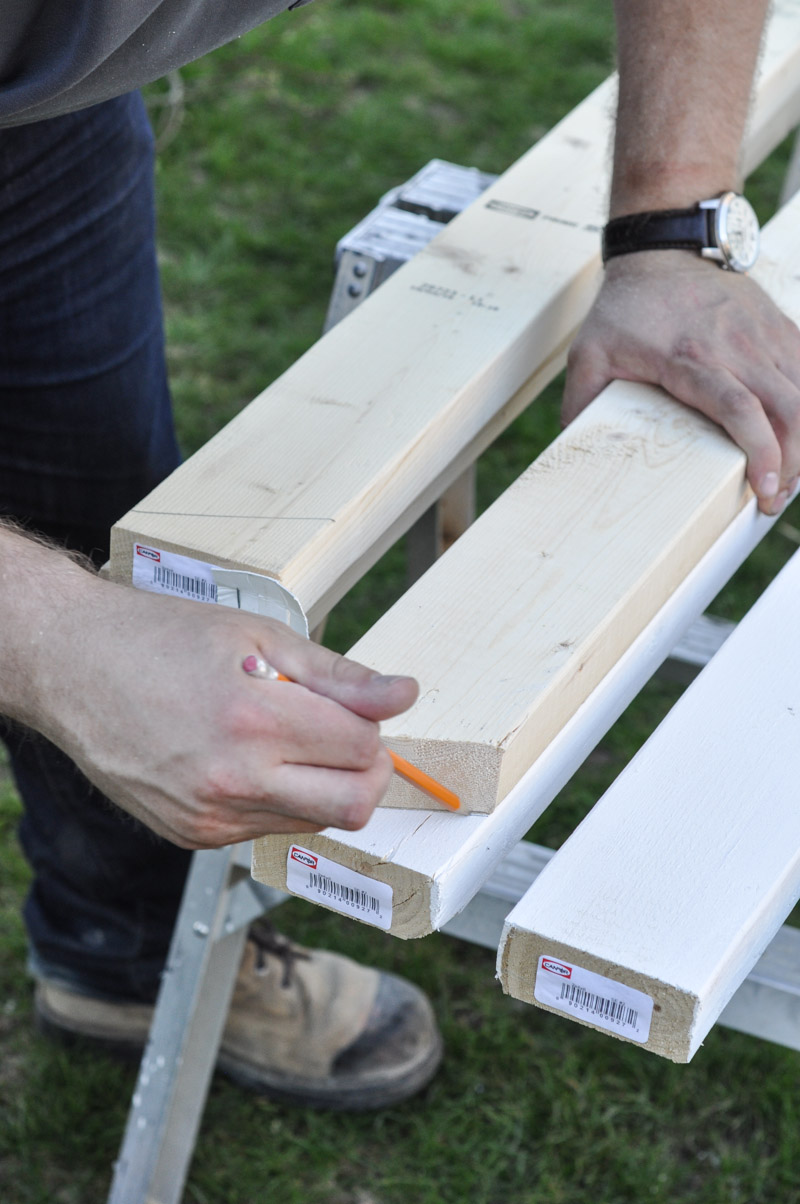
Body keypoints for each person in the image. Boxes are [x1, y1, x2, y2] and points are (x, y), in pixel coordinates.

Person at [1, 0, 798, 1111]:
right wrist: (58, 638)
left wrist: (668, 229)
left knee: (92, 518)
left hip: (40, 115)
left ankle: (119, 951)